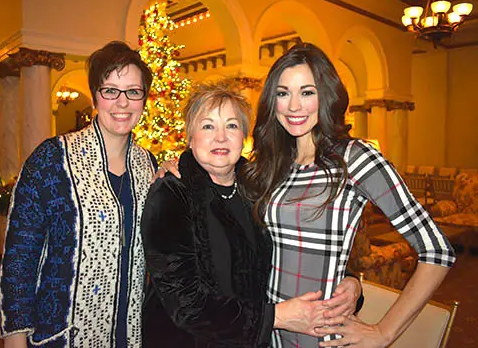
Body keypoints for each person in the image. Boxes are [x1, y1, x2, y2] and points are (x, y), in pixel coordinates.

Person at [238, 42, 456, 347]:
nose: (293, 106)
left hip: (323, 337)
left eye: (307, 92)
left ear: (326, 96)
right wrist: (179, 167)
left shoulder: (355, 157)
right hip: (271, 332)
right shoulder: (272, 164)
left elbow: (437, 250)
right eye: (283, 93)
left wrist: (384, 332)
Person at [141, 82, 362, 347]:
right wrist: (275, 317)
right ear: (190, 137)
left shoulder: (261, 189)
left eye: (232, 126)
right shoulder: (172, 193)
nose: (221, 137)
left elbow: (297, 248)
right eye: (208, 126)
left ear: (244, 136)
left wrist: (350, 281)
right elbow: (186, 304)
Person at [0, 41, 157, 348]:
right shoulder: (51, 160)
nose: (122, 102)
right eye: (110, 90)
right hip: (62, 334)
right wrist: (15, 338)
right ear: (95, 95)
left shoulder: (147, 165)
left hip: (130, 332)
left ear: (144, 99)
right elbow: (20, 257)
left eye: (133, 92)